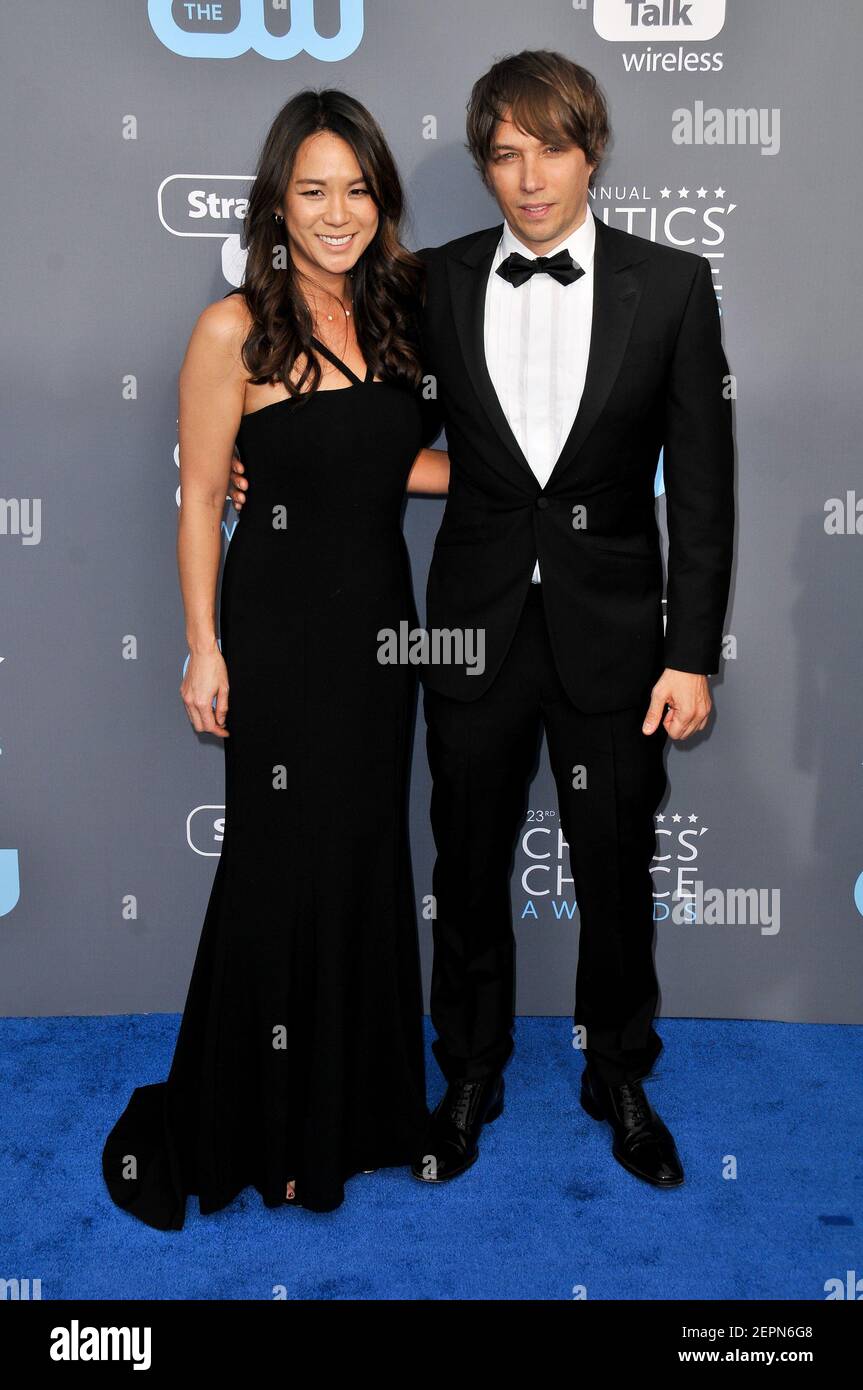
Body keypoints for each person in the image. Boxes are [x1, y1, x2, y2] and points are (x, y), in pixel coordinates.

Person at [230, 50, 735, 1192]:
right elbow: (341, 405)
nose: (527, 178)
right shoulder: (430, 284)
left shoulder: (672, 286)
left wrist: (689, 652)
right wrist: (259, 468)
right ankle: (466, 1071)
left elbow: (702, 490)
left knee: (611, 866)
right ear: (482, 168)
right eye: (502, 155)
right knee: (463, 866)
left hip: (614, 638)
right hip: (464, 631)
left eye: (548, 149)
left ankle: (616, 1073)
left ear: (588, 148)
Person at [102, 89, 448, 1227]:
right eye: (312, 191)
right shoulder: (231, 328)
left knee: (360, 855)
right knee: (275, 864)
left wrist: (532, 482)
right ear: (277, 203)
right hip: (278, 631)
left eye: (356, 189)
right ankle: (266, 1122)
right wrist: (204, 648)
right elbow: (203, 498)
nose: (337, 212)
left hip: (378, 636)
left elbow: (390, 462)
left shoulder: (401, 317)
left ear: (379, 199)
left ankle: (348, 1120)